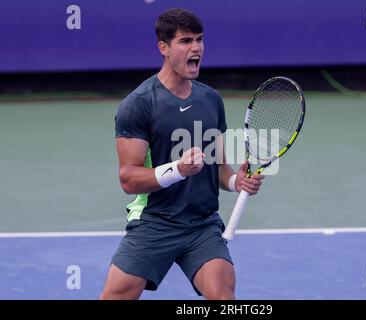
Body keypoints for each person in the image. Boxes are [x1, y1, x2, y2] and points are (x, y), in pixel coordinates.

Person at [99, 8, 264, 300]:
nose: (196, 48)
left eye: (199, 40)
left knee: (222, 296)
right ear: (163, 48)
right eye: (185, 41)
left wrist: (236, 182)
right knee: (118, 295)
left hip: (202, 224)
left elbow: (220, 170)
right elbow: (128, 179)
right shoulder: (138, 104)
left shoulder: (211, 99)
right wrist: (177, 169)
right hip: (155, 220)